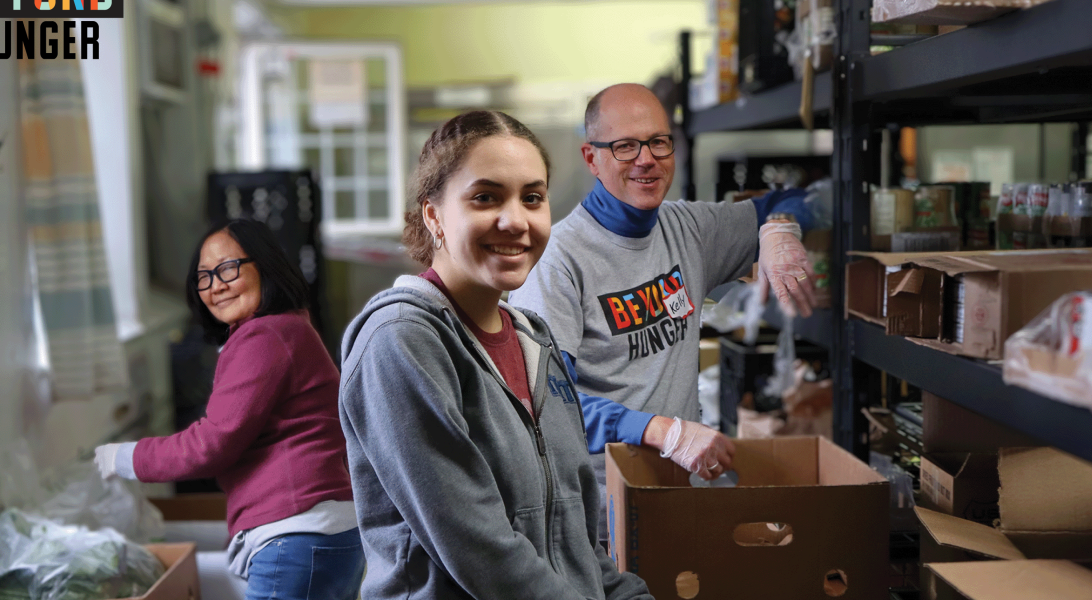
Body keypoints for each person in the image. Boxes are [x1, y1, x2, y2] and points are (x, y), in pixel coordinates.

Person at [338, 111, 653, 600]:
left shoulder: (536, 341)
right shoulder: (401, 341)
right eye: (485, 197)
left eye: (532, 197)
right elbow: (482, 551)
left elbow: (577, 545)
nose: (515, 220)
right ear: (434, 216)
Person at [509, 83, 816, 537]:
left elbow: (800, 198)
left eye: (658, 141)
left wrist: (779, 229)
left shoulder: (689, 228)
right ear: (591, 158)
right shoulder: (556, 261)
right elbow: (547, 405)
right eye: (625, 146)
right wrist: (659, 430)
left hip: (680, 492)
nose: (646, 159)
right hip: (599, 515)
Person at [93, 220, 364, 600]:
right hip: (326, 534)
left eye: (228, 269)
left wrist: (123, 457)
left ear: (265, 267)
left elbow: (212, 442)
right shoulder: (289, 328)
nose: (215, 285)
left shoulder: (264, 335)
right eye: (203, 277)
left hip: (297, 534)